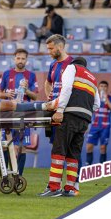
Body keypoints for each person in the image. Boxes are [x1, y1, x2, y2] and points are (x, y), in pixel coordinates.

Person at [38, 57, 100, 197]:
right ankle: (70, 188)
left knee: (59, 150)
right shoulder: (93, 78)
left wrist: (60, 110)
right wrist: (84, 110)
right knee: (74, 154)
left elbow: (66, 89)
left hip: (69, 116)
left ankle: (53, 188)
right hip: (84, 120)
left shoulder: (72, 68)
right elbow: (97, 104)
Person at [0, 48, 40, 176]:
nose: (20, 61)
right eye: (18, 58)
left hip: (23, 115)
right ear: (14, 59)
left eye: (23, 58)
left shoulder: (31, 75)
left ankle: (18, 175)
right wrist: (6, 94)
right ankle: (6, 174)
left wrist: (26, 90)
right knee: (6, 144)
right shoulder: (6, 74)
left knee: (22, 146)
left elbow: (36, 97)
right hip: (8, 113)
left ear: (26, 60)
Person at [86, 80, 111, 165]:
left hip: (105, 126)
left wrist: (106, 99)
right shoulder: (94, 98)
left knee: (103, 147)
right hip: (94, 126)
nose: (103, 88)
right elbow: (89, 112)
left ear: (107, 88)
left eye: (105, 86)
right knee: (89, 146)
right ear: (98, 88)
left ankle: (102, 167)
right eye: (101, 86)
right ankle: (88, 165)